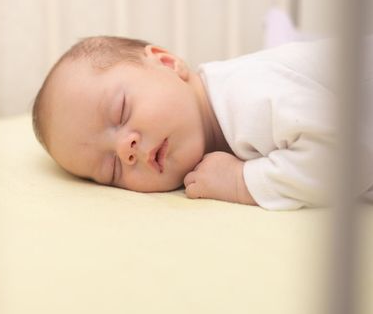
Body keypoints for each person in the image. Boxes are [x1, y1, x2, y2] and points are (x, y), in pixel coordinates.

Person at [32, 36, 373, 210]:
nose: (126, 150)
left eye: (120, 112)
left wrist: (244, 182)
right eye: (111, 170)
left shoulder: (247, 94)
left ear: (167, 62)